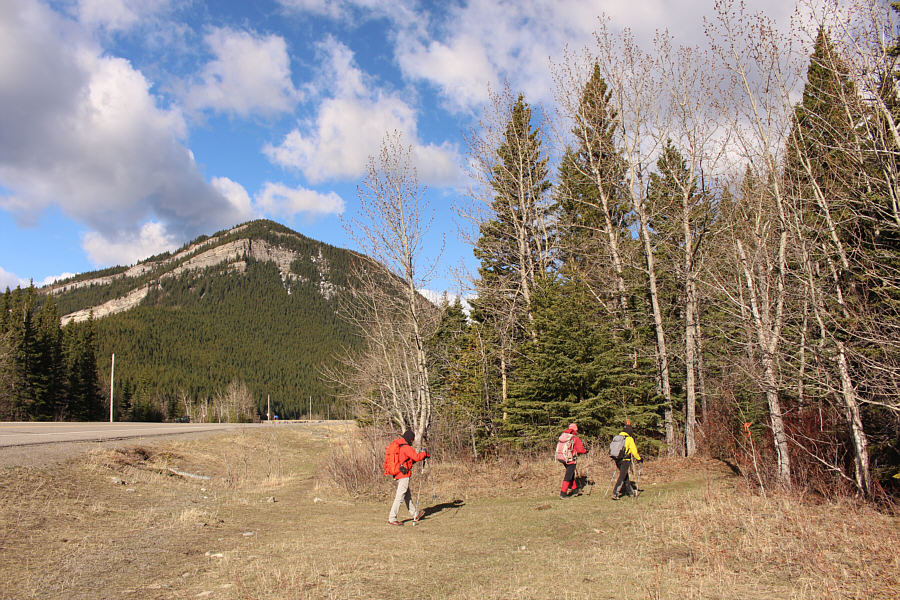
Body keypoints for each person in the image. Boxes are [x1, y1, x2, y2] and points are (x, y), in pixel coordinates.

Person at [388, 429, 430, 526]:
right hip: (403, 476)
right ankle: (392, 518)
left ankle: (415, 514)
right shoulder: (406, 448)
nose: (413, 441)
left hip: (399, 474)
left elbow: (410, 460)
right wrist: (424, 454)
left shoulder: (400, 447)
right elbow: (416, 457)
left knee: (407, 496)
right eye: (412, 439)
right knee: (400, 497)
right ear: (410, 439)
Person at [612, 423, 642, 500]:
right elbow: (634, 451)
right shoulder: (629, 439)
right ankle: (615, 493)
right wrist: (639, 459)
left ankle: (630, 492)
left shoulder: (617, 437)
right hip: (625, 460)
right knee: (622, 476)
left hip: (617, 459)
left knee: (625, 476)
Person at [558, 423, 588, 498]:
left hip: (563, 458)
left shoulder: (563, 436)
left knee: (571, 474)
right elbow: (580, 450)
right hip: (570, 459)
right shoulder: (575, 438)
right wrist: (585, 451)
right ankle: (563, 493)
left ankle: (575, 491)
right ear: (575, 429)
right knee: (568, 475)